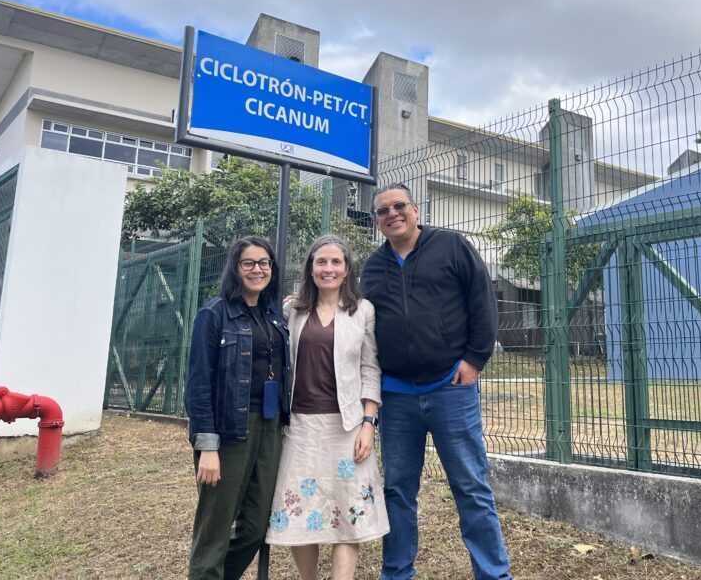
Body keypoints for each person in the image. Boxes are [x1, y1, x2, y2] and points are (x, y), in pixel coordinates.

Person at [360, 184, 513, 580]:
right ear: (376, 221)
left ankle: (493, 574)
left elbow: (483, 300)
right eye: (382, 211)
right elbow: (354, 317)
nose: (391, 214)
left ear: (415, 209)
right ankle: (396, 573)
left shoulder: (451, 246)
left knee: (471, 488)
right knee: (397, 492)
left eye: (398, 206)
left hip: (451, 388)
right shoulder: (372, 268)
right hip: (395, 396)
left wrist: (475, 359)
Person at [267, 234, 389, 580]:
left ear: (348, 268)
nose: (329, 268)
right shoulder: (293, 310)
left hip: (347, 426)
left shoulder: (362, 310)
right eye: (321, 262)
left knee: (348, 512)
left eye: (336, 262)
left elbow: (370, 367)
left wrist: (368, 422)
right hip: (300, 426)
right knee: (299, 510)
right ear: (310, 268)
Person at [185, 235, 290, 580]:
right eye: (249, 263)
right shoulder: (214, 314)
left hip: (270, 426)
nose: (258, 269)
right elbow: (199, 385)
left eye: (264, 263)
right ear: (235, 267)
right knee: (214, 530)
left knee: (257, 527)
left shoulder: (274, 314)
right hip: (229, 430)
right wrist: (208, 447)